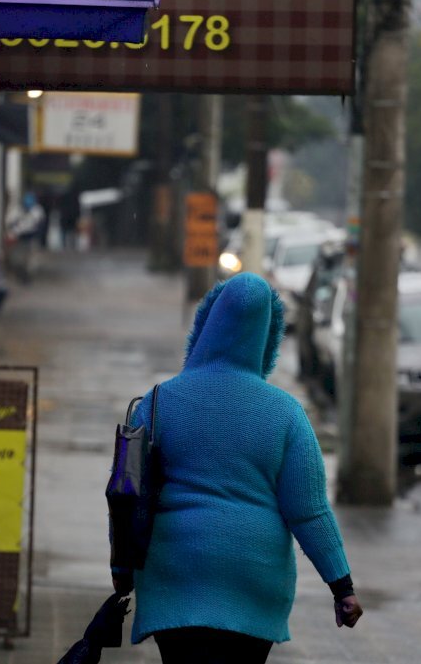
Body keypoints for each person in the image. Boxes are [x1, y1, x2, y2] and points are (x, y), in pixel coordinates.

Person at [115, 272, 362, 664]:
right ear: (267, 337)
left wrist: (122, 571)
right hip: (252, 582)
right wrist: (342, 586)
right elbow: (310, 511)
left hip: (176, 578)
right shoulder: (286, 415)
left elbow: (125, 493)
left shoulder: (157, 402)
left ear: (206, 325)